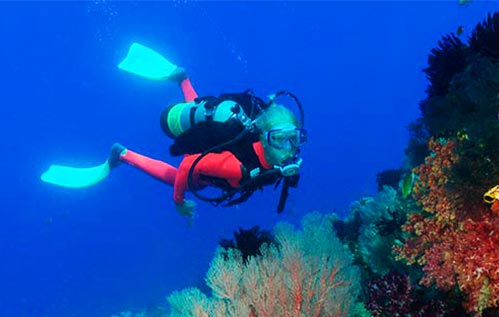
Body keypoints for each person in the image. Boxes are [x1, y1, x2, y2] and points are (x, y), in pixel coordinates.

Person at [41, 43, 306, 216]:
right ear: (263, 135)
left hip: (213, 124)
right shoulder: (234, 167)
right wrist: (179, 202)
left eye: (293, 139)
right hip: (182, 138)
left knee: (207, 114)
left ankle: (182, 78)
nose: (288, 148)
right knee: (182, 179)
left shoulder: (280, 158)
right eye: (280, 140)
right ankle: (122, 154)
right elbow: (188, 167)